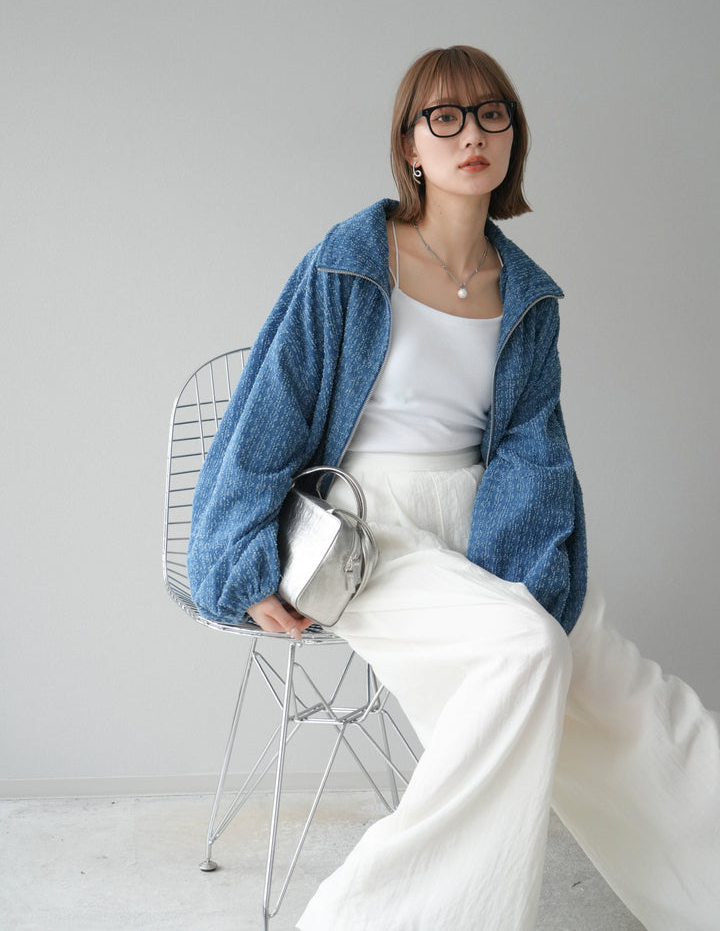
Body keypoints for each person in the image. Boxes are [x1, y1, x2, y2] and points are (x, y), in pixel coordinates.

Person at [187, 46, 719, 931]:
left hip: (496, 521)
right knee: (525, 653)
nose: (471, 135)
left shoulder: (528, 296)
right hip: (371, 530)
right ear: (411, 145)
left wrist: (535, 568)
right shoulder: (351, 262)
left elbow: (534, 446)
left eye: (490, 115)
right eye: (445, 117)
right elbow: (271, 409)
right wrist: (240, 556)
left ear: (513, 137)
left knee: (625, 696)